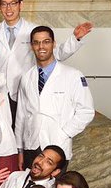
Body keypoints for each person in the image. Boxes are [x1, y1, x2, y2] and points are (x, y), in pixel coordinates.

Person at [15, 26, 95, 163]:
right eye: (36, 42)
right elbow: (21, 115)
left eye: (46, 41)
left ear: (54, 43)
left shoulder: (73, 75)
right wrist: (20, 149)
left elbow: (86, 111)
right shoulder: (26, 78)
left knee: (56, 184)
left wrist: (63, 134)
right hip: (31, 147)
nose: (41, 46)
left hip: (57, 146)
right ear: (31, 46)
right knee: (30, 184)